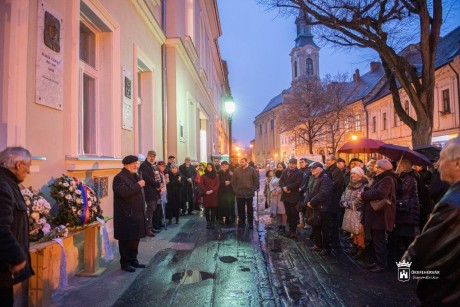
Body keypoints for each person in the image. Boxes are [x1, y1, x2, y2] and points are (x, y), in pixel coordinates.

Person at [402, 136, 460, 305]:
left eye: (442, 159)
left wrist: (405, 270)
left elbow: (420, 250)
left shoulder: (452, 202)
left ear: (457, 164)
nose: (437, 165)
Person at [0, 147, 34, 306]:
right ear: (19, 164)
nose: (29, 171)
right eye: (28, 166)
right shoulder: (3, 186)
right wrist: (17, 257)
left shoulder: (8, 183)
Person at [358, 159, 397, 273]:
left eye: (378, 167)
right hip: (376, 214)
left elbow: (381, 193)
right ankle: (378, 261)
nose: (376, 169)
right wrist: (366, 190)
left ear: (383, 169)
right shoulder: (381, 178)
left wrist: (364, 195)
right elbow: (375, 190)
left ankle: (381, 264)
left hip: (381, 214)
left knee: (379, 239)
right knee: (376, 239)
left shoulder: (387, 179)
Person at [113, 155, 147, 272]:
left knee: (135, 238)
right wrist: (138, 185)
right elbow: (122, 192)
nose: (136, 165)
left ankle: (133, 260)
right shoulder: (119, 178)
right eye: (134, 163)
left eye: (136, 163)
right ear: (127, 164)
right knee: (126, 240)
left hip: (136, 214)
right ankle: (125, 263)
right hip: (126, 215)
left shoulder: (134, 175)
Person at [306, 162, 334, 255]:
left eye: (314, 168)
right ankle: (318, 245)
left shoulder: (325, 179)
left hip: (323, 207)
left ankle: (326, 247)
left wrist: (312, 202)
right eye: (311, 168)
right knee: (315, 226)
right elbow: (308, 190)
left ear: (320, 168)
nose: (312, 169)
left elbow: (323, 193)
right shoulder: (313, 177)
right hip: (314, 207)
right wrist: (308, 201)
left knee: (325, 229)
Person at [340, 167, 368, 259]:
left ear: (360, 175)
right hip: (349, 210)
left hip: (358, 211)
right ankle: (355, 246)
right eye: (352, 173)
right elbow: (344, 193)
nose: (352, 175)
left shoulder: (364, 185)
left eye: (355, 173)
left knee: (359, 230)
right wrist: (343, 201)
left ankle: (361, 249)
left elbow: (360, 200)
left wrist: (347, 204)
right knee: (352, 229)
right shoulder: (350, 184)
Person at [394, 159, 420, 257]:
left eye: (399, 166)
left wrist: (396, 179)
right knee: (403, 235)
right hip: (403, 209)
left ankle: (410, 259)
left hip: (408, 211)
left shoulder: (410, 178)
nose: (397, 168)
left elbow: (403, 190)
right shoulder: (403, 177)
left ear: (404, 167)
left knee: (408, 236)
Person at [231, 158, 259, 229]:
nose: (241, 163)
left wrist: (253, 189)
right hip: (239, 193)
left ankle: (250, 223)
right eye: (240, 162)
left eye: (242, 162)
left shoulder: (252, 170)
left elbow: (256, 180)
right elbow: (233, 181)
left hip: (249, 193)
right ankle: (242, 222)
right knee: (240, 209)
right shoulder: (236, 170)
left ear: (246, 162)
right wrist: (235, 190)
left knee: (250, 209)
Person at [279, 158, 303, 239]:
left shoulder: (299, 172)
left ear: (296, 164)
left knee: (294, 214)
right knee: (288, 213)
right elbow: (281, 181)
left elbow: (297, 183)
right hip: (286, 196)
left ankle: (293, 231)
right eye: (290, 163)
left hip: (293, 196)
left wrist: (288, 188)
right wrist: (284, 188)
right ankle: (289, 230)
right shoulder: (284, 171)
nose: (291, 165)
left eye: (293, 164)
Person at [139, 150, 161, 237]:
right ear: (147, 156)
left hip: (155, 190)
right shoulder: (144, 166)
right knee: (149, 210)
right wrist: (157, 184)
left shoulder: (154, 165)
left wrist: (160, 183)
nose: (152, 158)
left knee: (152, 210)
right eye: (151, 156)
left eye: (154, 156)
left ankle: (150, 227)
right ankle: (147, 229)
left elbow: (157, 176)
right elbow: (146, 178)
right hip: (148, 191)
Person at [325, 155, 345, 247]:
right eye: (326, 160)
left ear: (333, 161)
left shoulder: (337, 171)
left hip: (334, 199)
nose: (326, 161)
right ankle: (331, 239)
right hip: (329, 199)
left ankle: (335, 241)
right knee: (329, 221)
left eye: (328, 160)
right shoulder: (328, 170)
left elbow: (335, 184)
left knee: (334, 222)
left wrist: (325, 188)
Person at [200, 163, 220, 229]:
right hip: (206, 195)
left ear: (213, 168)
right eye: (208, 167)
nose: (209, 168)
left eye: (211, 167)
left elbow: (217, 185)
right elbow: (201, 185)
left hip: (213, 194)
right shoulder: (203, 176)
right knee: (207, 210)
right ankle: (208, 222)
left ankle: (213, 222)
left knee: (213, 209)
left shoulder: (216, 176)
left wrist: (212, 190)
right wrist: (206, 191)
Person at [297, 158, 311, 228]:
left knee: (306, 208)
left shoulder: (309, 171)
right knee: (301, 207)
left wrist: (303, 188)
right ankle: (302, 222)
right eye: (300, 162)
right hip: (299, 192)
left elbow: (309, 182)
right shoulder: (299, 171)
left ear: (306, 163)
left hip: (306, 192)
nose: (301, 163)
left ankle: (307, 224)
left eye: (302, 162)